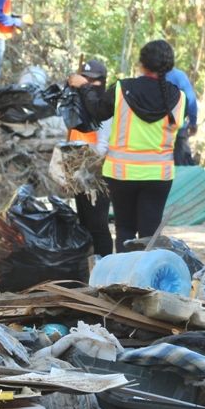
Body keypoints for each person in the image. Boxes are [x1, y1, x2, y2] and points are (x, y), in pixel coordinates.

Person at [94, 40, 185, 251]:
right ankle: (144, 281)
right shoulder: (179, 98)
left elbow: (96, 113)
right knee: (150, 236)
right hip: (158, 176)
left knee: (124, 229)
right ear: (168, 66)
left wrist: (85, 88)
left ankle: (123, 281)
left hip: (121, 174)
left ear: (141, 63)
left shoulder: (121, 89)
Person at [66, 58, 114, 257]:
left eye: (92, 80)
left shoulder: (104, 109)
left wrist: (89, 168)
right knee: (84, 223)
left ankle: (103, 266)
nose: (86, 83)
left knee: (97, 225)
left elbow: (103, 145)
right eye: (83, 78)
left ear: (102, 82)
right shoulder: (77, 107)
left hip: (97, 174)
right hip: (79, 171)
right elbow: (70, 140)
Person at [166, 67, 199, 166]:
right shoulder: (178, 76)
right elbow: (191, 101)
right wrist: (193, 123)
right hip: (177, 129)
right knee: (181, 165)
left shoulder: (149, 75)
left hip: (153, 131)